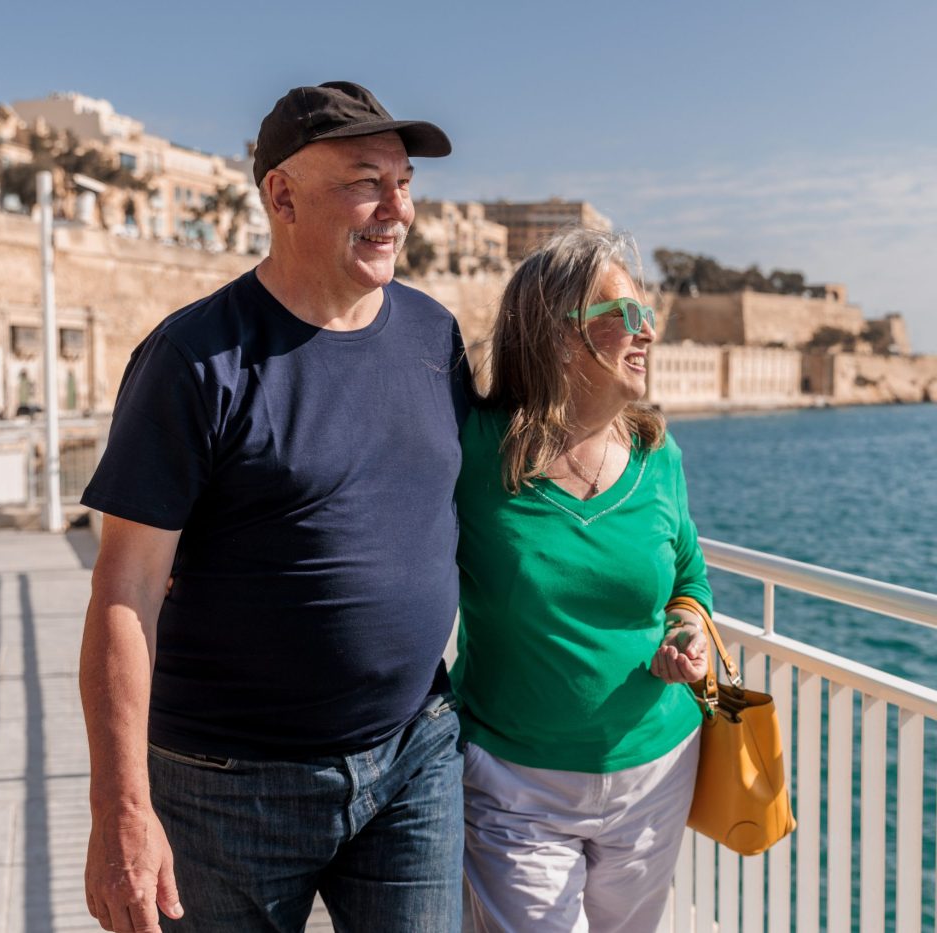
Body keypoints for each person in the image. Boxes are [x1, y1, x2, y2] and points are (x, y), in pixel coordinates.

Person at [79, 81, 471, 933]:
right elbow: (124, 588)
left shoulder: (434, 335)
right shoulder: (194, 360)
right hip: (225, 789)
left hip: (413, 758)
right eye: (365, 182)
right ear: (282, 196)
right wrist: (121, 809)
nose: (397, 209)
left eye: (404, 183)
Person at [451, 227, 712, 933]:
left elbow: (688, 576)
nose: (648, 330)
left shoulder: (658, 455)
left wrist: (688, 632)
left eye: (646, 313)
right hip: (514, 783)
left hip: (657, 772)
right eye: (625, 314)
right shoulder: (473, 450)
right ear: (559, 335)